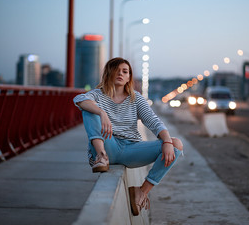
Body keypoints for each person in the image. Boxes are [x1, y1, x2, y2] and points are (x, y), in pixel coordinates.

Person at [73, 57, 183, 216]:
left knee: (176, 145)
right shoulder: (98, 94)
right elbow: (79, 99)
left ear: (129, 77)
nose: (121, 74)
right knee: (89, 109)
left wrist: (166, 141)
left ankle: (142, 192)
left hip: (132, 150)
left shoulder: (135, 98)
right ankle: (101, 156)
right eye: (117, 70)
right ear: (109, 73)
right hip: (107, 145)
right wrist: (101, 112)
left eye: (125, 71)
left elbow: (153, 121)